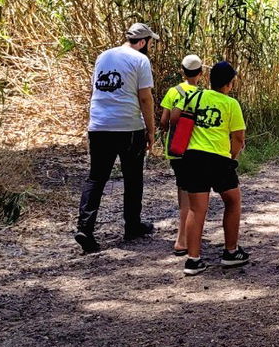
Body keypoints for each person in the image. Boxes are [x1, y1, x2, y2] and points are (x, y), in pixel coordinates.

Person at [77, 23, 158, 254]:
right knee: (133, 176)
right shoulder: (140, 60)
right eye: (150, 42)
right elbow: (145, 99)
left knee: (96, 178)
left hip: (99, 125)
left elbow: (96, 90)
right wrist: (150, 131)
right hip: (127, 127)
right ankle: (132, 225)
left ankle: (85, 228)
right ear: (142, 42)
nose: (150, 47)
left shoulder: (103, 56)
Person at [170, 61, 249, 275]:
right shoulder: (231, 104)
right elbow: (239, 137)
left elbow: (174, 117)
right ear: (229, 83)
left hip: (193, 158)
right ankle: (230, 252)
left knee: (196, 209)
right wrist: (231, 157)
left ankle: (193, 260)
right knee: (232, 201)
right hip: (219, 159)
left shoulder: (195, 96)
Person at [159, 54, 204, 256]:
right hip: (195, 149)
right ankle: (183, 239)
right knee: (191, 193)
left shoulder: (173, 92)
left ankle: (183, 237)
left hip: (175, 149)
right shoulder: (204, 95)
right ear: (201, 74)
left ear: (182, 72)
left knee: (182, 191)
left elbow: (164, 120)